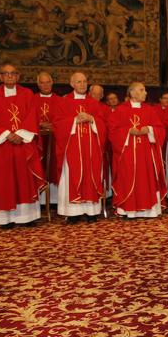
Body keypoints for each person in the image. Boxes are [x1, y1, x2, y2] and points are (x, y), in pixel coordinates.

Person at [0, 63, 45, 227]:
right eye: (6, 74)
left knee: (24, 179)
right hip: (2, 146)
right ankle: (5, 219)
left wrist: (21, 134)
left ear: (18, 76)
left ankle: (27, 217)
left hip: (23, 144)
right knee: (4, 181)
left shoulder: (27, 94)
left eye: (13, 73)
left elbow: (33, 116)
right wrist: (6, 134)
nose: (10, 76)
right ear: (0, 77)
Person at [52, 72, 107, 223]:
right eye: (79, 82)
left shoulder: (94, 103)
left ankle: (91, 212)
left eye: (84, 81)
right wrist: (74, 120)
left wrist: (92, 119)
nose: (82, 84)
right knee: (72, 176)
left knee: (91, 176)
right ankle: (73, 213)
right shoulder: (63, 102)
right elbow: (57, 124)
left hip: (91, 150)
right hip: (72, 149)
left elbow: (104, 124)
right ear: (72, 84)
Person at [109, 82, 167, 218]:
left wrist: (150, 129)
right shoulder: (120, 110)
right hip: (127, 153)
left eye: (145, 90)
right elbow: (112, 131)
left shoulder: (150, 110)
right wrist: (128, 131)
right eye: (142, 90)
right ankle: (128, 210)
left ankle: (149, 211)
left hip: (146, 153)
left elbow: (160, 129)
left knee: (147, 179)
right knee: (127, 178)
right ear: (133, 93)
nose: (146, 92)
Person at [32, 72, 60, 202]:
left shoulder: (60, 101)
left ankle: (54, 200)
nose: (45, 85)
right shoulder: (32, 99)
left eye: (48, 82)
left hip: (55, 140)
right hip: (37, 141)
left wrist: (54, 125)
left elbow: (64, 119)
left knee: (54, 166)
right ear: (38, 84)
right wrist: (38, 124)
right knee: (38, 166)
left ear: (52, 83)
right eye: (42, 82)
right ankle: (40, 200)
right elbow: (26, 118)